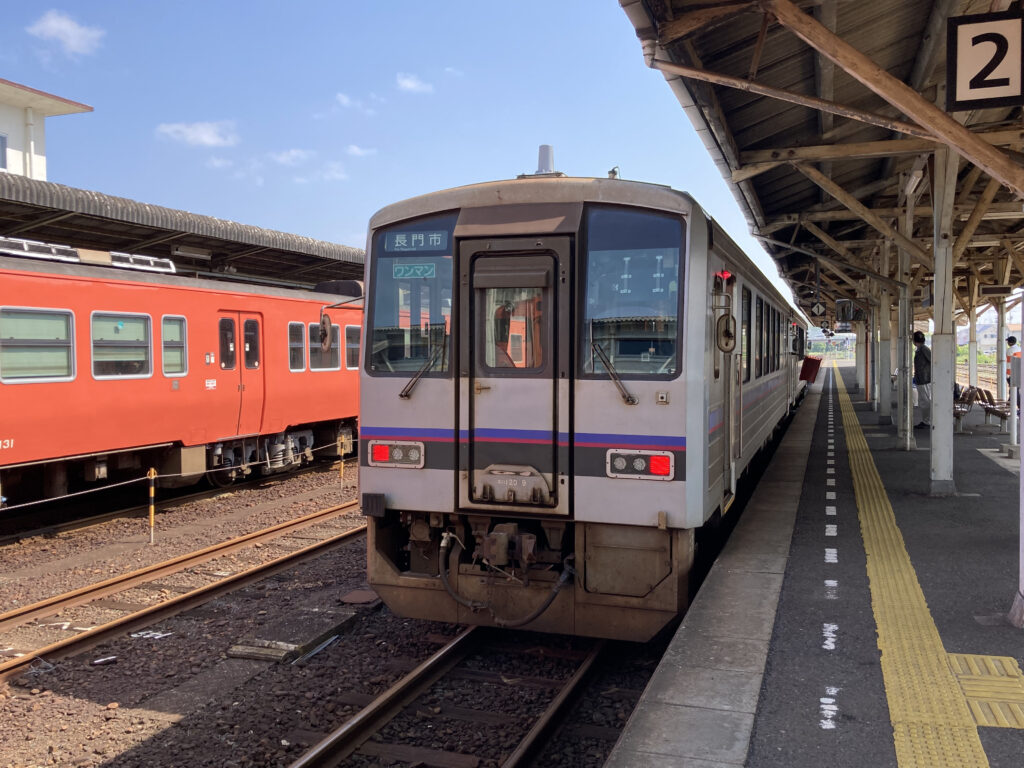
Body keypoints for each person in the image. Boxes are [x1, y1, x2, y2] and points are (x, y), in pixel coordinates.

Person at [913, 330, 931, 429]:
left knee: (926, 401)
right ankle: (926, 420)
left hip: (925, 380)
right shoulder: (920, 349)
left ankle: (927, 421)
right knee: (923, 401)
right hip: (921, 379)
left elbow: (932, 361)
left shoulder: (924, 349)